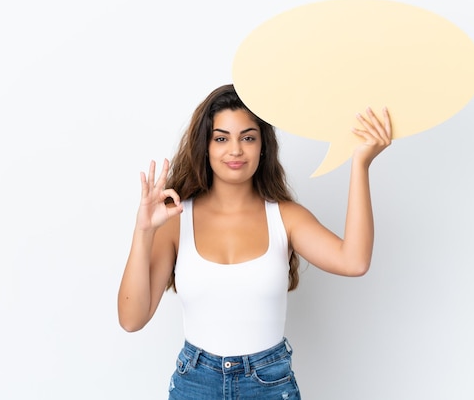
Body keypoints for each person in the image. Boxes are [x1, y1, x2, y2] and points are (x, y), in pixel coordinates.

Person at [117, 84, 391, 399]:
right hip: (195, 384)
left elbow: (354, 261)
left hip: (269, 385)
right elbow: (131, 319)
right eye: (221, 138)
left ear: (263, 146)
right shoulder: (175, 220)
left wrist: (360, 165)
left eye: (247, 137)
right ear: (205, 146)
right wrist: (143, 231)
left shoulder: (286, 217)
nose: (235, 150)